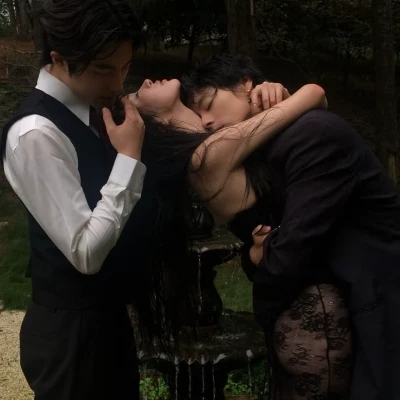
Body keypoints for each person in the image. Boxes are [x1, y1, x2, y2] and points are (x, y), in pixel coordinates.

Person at [130, 53, 400, 400]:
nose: (208, 121)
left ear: (245, 85)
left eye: (208, 105)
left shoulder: (240, 151)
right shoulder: (205, 156)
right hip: (327, 311)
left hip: (356, 298)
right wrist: (309, 94)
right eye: (134, 95)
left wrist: (258, 254)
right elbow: (313, 95)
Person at [0, 1, 157, 399]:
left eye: (124, 67)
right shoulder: (36, 133)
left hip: (105, 321)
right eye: (104, 69)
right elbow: (85, 252)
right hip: (71, 337)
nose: (117, 83)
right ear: (59, 59)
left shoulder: (88, 111)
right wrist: (128, 159)